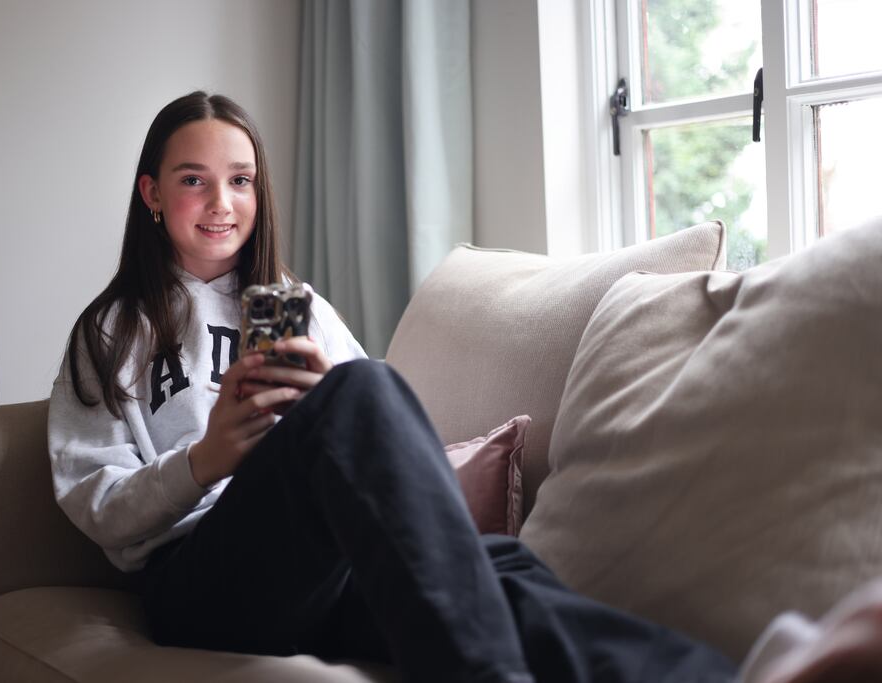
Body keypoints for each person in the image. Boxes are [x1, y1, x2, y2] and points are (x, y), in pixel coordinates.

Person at [47, 90, 882, 683]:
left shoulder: (294, 306)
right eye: (193, 179)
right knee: (363, 390)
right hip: (202, 581)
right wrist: (207, 456)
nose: (221, 201)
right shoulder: (110, 332)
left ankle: (729, 675)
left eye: (240, 179)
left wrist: (317, 419)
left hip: (320, 568)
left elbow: (369, 435)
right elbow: (99, 506)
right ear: (152, 194)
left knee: (499, 567)